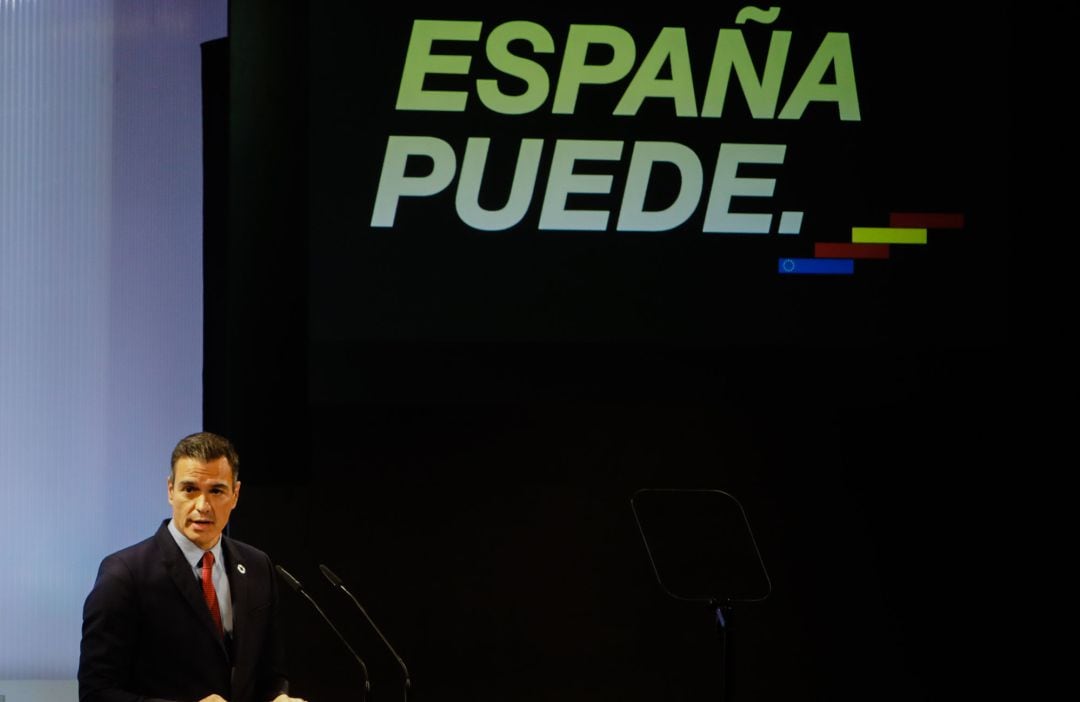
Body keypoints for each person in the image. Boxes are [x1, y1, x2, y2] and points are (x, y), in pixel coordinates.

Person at [78, 432, 308, 702]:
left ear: (235, 495)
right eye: (190, 489)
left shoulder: (257, 566)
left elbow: (271, 674)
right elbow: (97, 693)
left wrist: (278, 697)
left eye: (216, 491)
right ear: (170, 490)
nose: (202, 505)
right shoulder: (124, 574)